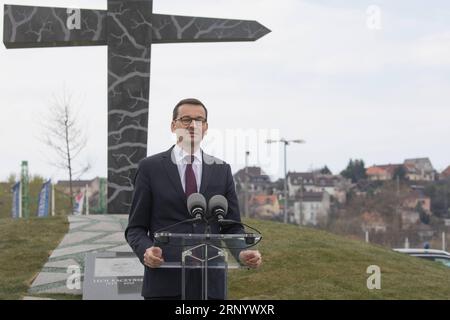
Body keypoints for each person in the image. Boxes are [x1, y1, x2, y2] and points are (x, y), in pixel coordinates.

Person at [125, 98, 262, 300]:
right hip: (165, 284)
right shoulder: (150, 168)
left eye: (199, 120)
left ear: (206, 127)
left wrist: (241, 253)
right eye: (186, 119)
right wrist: (147, 251)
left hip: (210, 285)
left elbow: (232, 227)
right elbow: (135, 228)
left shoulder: (221, 170)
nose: (192, 125)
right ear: (173, 126)